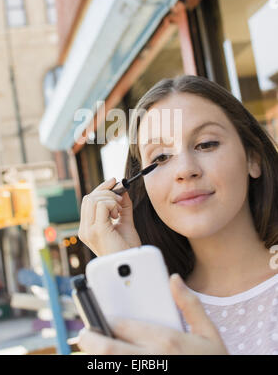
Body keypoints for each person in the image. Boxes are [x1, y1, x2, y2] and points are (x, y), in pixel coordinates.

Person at [77, 75, 278, 355]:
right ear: (143, 185)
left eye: (206, 144)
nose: (185, 169)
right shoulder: (147, 312)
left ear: (253, 158)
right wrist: (127, 272)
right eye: (160, 158)